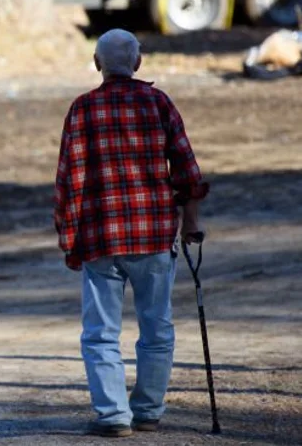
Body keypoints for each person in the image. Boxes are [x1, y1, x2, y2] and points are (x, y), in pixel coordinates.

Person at [53, 29, 210, 438]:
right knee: (157, 327)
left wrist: (69, 240)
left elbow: (69, 180)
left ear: (96, 62)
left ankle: (113, 416)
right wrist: (191, 222)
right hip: (154, 235)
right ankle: (147, 411)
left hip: (101, 237)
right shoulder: (158, 103)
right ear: (138, 63)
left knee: (101, 332)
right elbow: (188, 172)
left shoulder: (83, 109)